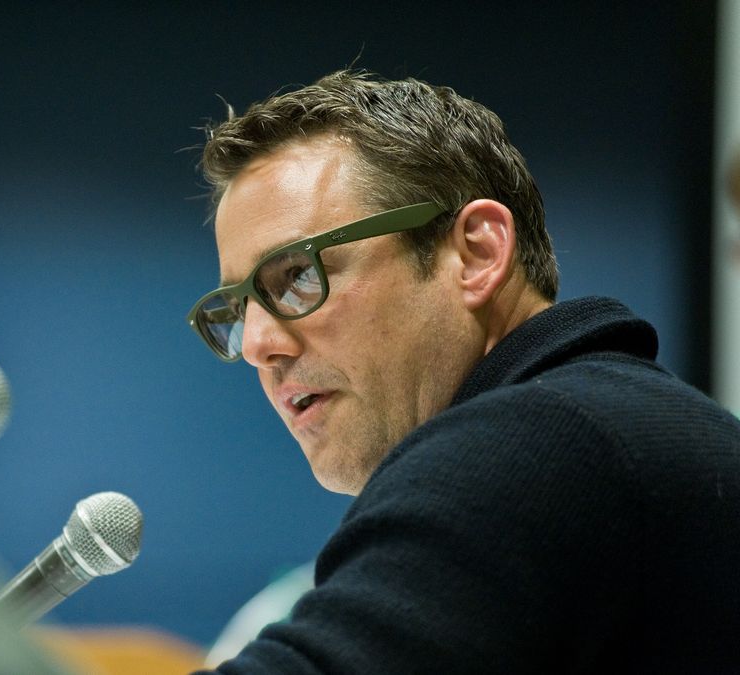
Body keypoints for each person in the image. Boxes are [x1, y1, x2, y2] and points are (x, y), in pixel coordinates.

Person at [184, 69, 740, 673]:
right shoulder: (623, 426)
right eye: (239, 309)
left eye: (296, 276)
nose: (260, 343)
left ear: (477, 253)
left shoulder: (536, 446)